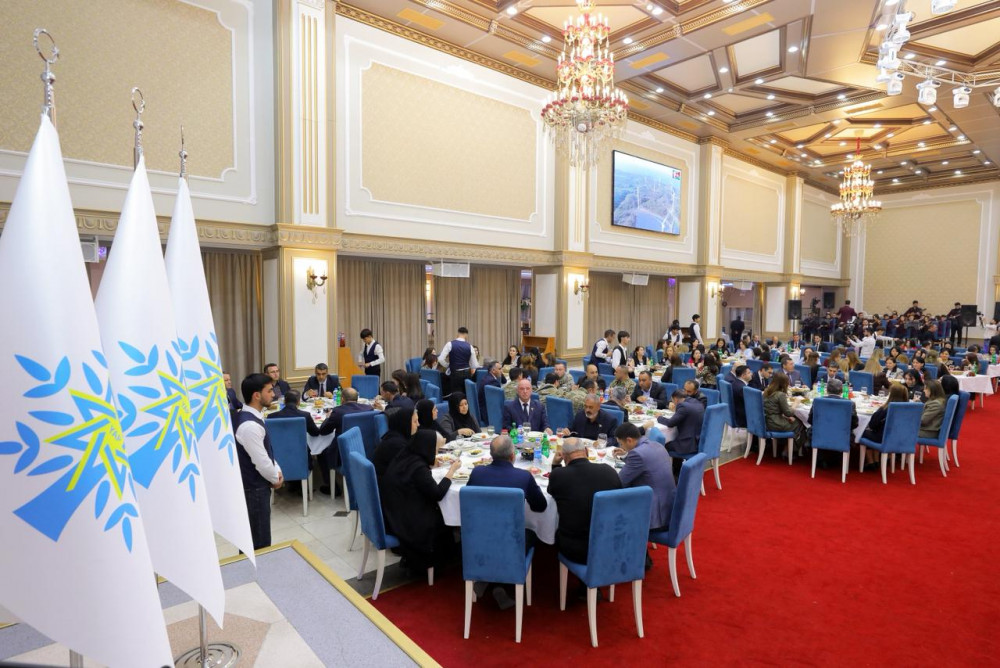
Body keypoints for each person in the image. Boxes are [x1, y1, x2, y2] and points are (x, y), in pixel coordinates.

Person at [381, 430, 461, 572]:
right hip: (410, 522)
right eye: (436, 449)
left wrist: (431, 464)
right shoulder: (418, 468)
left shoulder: (405, 455)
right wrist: (451, 471)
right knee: (444, 515)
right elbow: (437, 494)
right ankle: (443, 557)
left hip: (393, 512)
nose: (436, 453)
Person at [547, 438, 622, 564]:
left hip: (575, 549)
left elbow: (552, 491)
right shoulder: (609, 471)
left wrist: (555, 465)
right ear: (586, 451)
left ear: (564, 456)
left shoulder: (559, 475)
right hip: (609, 542)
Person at [234, 373, 283, 550]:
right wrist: (275, 478)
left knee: (255, 539)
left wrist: (276, 469)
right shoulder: (249, 426)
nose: (273, 394)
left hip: (255, 487)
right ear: (256, 395)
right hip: (253, 490)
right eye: (269, 391)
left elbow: (266, 451)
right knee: (259, 543)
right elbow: (261, 462)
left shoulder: (252, 417)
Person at [614, 422, 675, 540]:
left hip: (655, 518)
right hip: (669, 509)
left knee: (613, 512)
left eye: (621, 444)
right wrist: (626, 455)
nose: (622, 447)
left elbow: (620, 482)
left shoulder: (637, 454)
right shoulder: (657, 445)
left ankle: (631, 547)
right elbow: (645, 462)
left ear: (629, 440)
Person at [317, 387, 374, 495]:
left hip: (344, 453)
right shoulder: (369, 408)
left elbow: (324, 431)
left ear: (342, 399)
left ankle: (333, 487)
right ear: (357, 398)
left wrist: (328, 417)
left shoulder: (338, 411)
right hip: (365, 448)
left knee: (321, 453)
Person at [860, 383, 909, 467]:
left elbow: (872, 425)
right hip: (900, 437)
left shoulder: (886, 409)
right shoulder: (908, 409)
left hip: (884, 438)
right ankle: (877, 459)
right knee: (876, 431)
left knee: (863, 432)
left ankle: (871, 461)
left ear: (891, 394)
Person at [659, 389, 705, 478]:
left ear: (676, 399)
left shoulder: (683, 406)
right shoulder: (696, 402)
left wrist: (659, 417)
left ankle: (670, 475)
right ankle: (677, 472)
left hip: (688, 444)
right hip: (697, 441)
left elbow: (670, 423)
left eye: (672, 401)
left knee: (662, 445)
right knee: (674, 440)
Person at [763, 373, 808, 453]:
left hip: (767, 421)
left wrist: (786, 417)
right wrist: (796, 403)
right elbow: (789, 413)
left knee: (794, 420)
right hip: (776, 423)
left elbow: (773, 410)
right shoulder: (780, 394)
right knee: (801, 423)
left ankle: (786, 446)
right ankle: (790, 450)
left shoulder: (767, 391)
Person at [372, 407, 417, 482]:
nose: (418, 424)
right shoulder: (397, 444)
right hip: (386, 484)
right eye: (415, 421)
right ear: (406, 423)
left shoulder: (397, 435)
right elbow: (408, 470)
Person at [439, 326, 478, 394]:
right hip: (467, 373)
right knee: (466, 394)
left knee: (456, 394)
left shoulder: (450, 344)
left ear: (457, 334)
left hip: (455, 373)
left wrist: (448, 365)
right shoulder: (470, 346)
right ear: (466, 335)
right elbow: (474, 365)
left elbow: (440, 359)